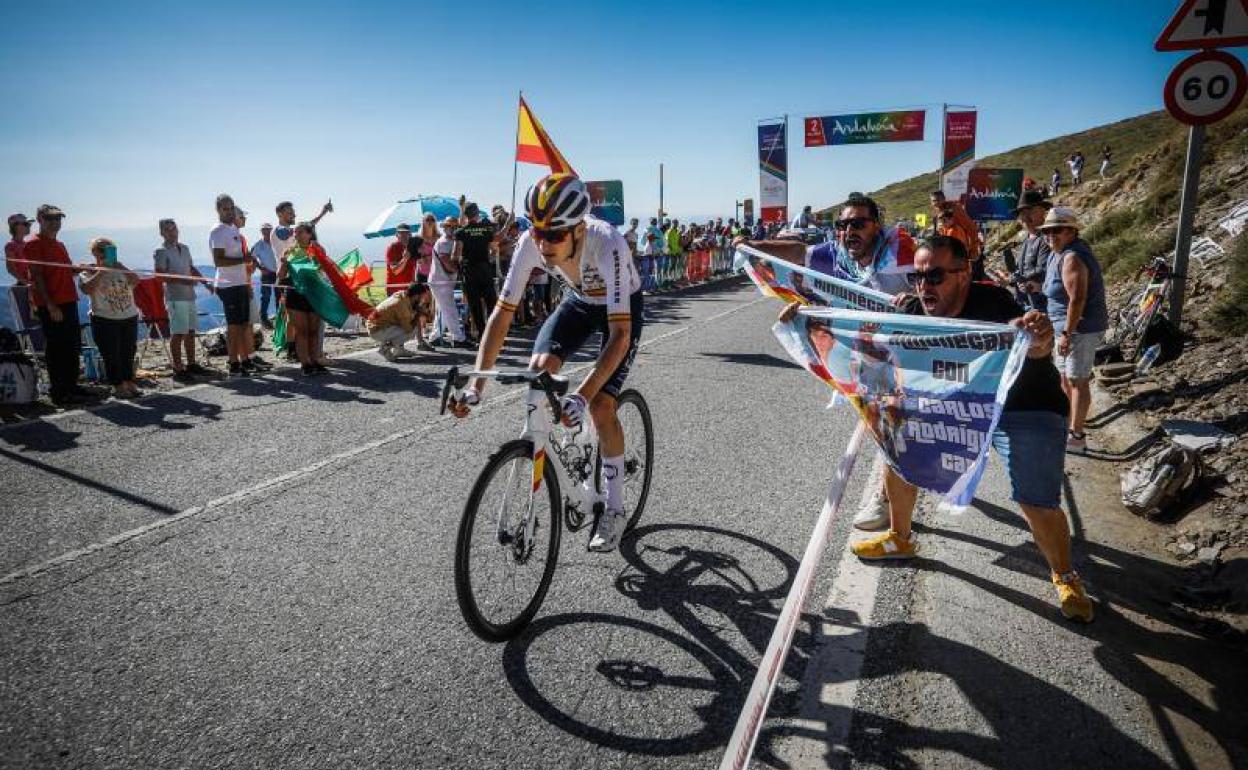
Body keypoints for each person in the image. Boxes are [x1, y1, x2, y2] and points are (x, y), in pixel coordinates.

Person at [850, 234, 1093, 623]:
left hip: (1025, 406)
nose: (923, 286)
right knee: (900, 451)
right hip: (961, 403)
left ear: (963, 274)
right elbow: (866, 332)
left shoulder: (994, 302)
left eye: (935, 277)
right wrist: (805, 319)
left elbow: (1030, 339)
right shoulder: (913, 307)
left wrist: (1039, 338)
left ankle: (1065, 575)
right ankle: (900, 537)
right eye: (917, 277)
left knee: (1036, 499)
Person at [450, 173, 644, 553]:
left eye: (554, 235)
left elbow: (620, 336)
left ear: (578, 229)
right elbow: (501, 315)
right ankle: (555, 443)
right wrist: (476, 386)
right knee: (539, 367)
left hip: (621, 309)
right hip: (580, 301)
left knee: (601, 405)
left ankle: (615, 508)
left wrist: (583, 396)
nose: (543, 243)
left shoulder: (608, 242)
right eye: (538, 231)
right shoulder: (529, 244)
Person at [738, 192, 916, 532]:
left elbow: (938, 280)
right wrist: (751, 246)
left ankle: (892, 500)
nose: (849, 231)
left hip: (912, 355)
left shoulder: (899, 252)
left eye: (858, 223)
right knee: (887, 427)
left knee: (898, 429)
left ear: (876, 226)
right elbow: (797, 254)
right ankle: (892, 496)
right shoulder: (836, 254)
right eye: (842, 224)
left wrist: (919, 302)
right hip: (872, 358)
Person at [1040, 207, 1107, 453]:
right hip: (1064, 328)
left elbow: (1077, 299)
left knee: (1078, 380)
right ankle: (1067, 424)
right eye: (1047, 231)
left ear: (1071, 231)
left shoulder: (1073, 257)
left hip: (1079, 329)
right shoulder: (1056, 254)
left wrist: (1067, 334)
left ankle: (1077, 437)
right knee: (1064, 378)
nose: (1050, 235)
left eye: (1057, 230)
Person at [25, 204, 90, 405]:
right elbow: (37, 277)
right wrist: (50, 305)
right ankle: (59, 392)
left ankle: (72, 386)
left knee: (72, 344)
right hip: (52, 303)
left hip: (68, 299)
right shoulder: (34, 244)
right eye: (49, 218)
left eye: (57, 218)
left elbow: (66, 270)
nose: (55, 222)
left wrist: (82, 268)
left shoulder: (59, 244)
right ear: (40, 220)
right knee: (57, 346)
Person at [78, 237, 141, 398]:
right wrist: (102, 271)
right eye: (102, 249)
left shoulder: (120, 268)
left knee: (128, 351)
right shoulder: (88, 271)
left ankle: (129, 381)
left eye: (109, 249)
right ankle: (118, 385)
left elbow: (136, 280)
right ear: (95, 253)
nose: (105, 253)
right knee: (111, 353)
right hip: (104, 318)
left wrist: (121, 267)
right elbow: (86, 289)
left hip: (128, 315)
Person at [153, 218, 211, 380]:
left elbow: (191, 268)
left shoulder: (185, 248)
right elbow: (159, 276)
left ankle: (192, 364)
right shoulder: (161, 251)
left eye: (174, 228)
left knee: (191, 331)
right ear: (162, 233)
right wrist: (182, 280)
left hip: (189, 295)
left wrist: (205, 283)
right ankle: (178, 367)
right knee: (178, 332)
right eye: (168, 229)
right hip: (175, 297)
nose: (172, 232)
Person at [276, 222, 333, 376]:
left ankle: (315, 361)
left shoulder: (317, 249)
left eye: (300, 232)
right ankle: (305, 364)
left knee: (314, 331)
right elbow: (281, 276)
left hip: (314, 293)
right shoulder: (289, 251)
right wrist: (284, 264)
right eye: (295, 232)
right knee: (302, 331)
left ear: (309, 234)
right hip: (295, 294)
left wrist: (320, 255)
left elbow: (324, 269)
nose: (296, 235)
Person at [209, 194, 256, 377]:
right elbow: (218, 261)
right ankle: (233, 363)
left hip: (240, 282)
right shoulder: (218, 231)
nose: (229, 212)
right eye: (225, 209)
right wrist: (243, 259)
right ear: (218, 210)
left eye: (231, 208)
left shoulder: (233, 228)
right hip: (228, 285)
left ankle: (244, 360)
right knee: (234, 326)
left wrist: (246, 265)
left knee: (243, 324)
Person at [455, 202, 498, 343]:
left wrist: (461, 261)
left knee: (475, 306)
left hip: (470, 272)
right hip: (485, 270)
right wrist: (487, 258)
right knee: (491, 303)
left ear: (466, 215)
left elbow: (456, 255)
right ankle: (493, 334)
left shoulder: (461, 232)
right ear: (477, 214)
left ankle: (482, 334)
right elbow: (494, 250)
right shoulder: (486, 230)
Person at [1007, 190, 1053, 311]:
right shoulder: (1026, 241)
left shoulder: (1049, 238)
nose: (1025, 218)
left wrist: (1019, 278)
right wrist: (1012, 279)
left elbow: (1043, 269)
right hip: (1028, 305)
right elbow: (1020, 269)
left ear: (1042, 211)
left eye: (1030, 212)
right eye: (1022, 214)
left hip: (1046, 306)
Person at [366, 281, 434, 360]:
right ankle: (385, 348)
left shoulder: (403, 295)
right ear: (416, 296)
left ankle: (399, 350)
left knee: (404, 323)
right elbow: (408, 329)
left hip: (375, 325)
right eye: (421, 297)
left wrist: (417, 311)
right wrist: (418, 313)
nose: (422, 300)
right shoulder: (402, 306)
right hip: (377, 330)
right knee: (412, 330)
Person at [429, 215, 467, 347]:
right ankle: (458, 338)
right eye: (449, 226)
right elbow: (448, 264)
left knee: (443, 310)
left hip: (443, 280)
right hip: (441, 281)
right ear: (444, 228)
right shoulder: (444, 242)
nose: (452, 228)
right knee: (450, 309)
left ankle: (435, 336)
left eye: (454, 226)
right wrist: (460, 268)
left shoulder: (451, 241)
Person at [252, 222, 278, 328]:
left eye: (268, 229)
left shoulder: (277, 242)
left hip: (279, 272)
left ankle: (279, 318)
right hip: (267, 273)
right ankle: (264, 319)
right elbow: (252, 257)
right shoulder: (259, 244)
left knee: (279, 296)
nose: (266, 232)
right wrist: (261, 268)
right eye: (264, 230)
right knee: (265, 297)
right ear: (261, 231)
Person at [386, 224, 416, 297]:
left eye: (407, 233)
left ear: (410, 234)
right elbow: (395, 271)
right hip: (395, 290)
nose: (404, 235)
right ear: (396, 235)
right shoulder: (392, 247)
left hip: (410, 289)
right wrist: (405, 259)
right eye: (401, 233)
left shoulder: (414, 248)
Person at [6, 213, 33, 285]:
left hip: (32, 283)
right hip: (24, 285)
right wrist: (26, 282)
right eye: (26, 224)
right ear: (15, 227)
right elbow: (11, 269)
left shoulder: (27, 244)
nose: (29, 226)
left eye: (29, 224)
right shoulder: (11, 245)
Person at [417, 213, 437, 282]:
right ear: (423, 222)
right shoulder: (418, 239)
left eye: (432, 220)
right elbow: (418, 260)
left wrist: (427, 257)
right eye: (427, 220)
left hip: (438, 274)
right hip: (423, 274)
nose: (430, 222)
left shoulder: (440, 237)